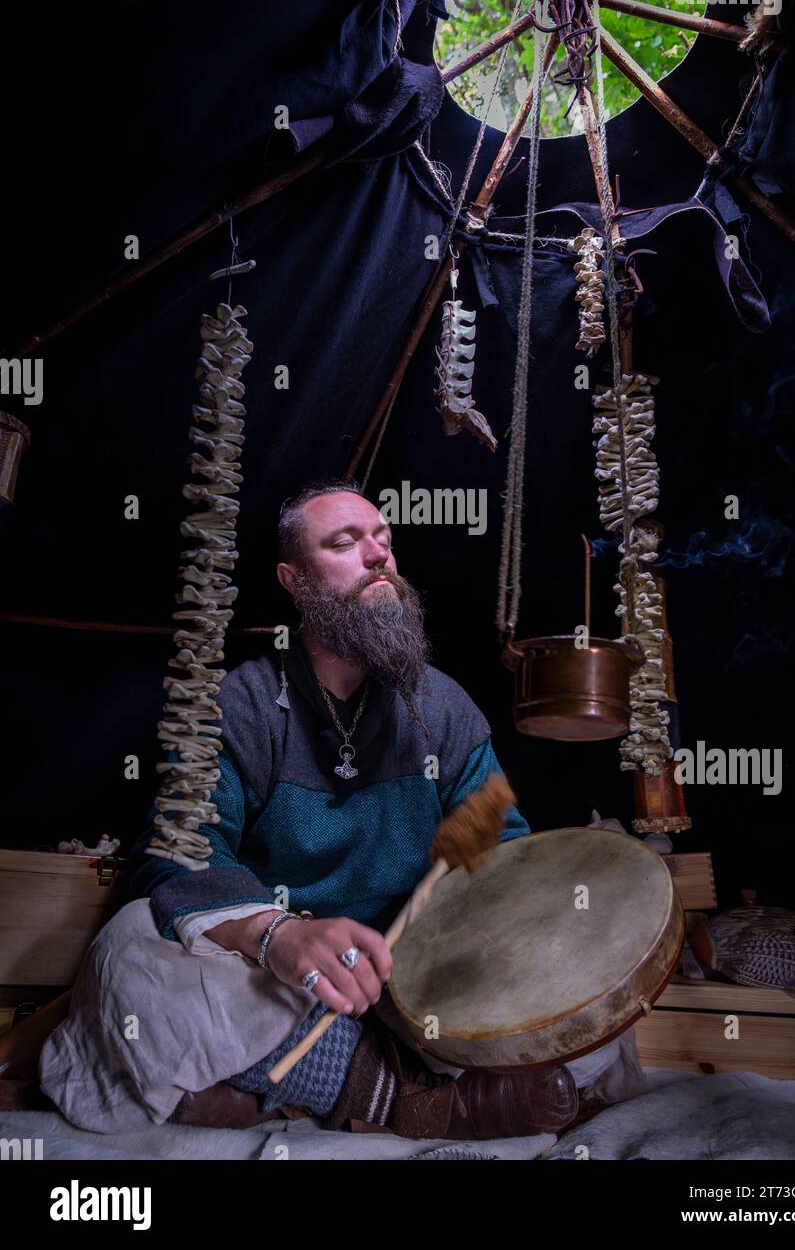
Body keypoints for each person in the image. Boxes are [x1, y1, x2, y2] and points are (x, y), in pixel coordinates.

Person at [38, 480, 586, 1139]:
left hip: (412, 979)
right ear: (294, 580)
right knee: (126, 946)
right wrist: (281, 936)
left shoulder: (445, 709)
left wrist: (496, 912)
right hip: (279, 980)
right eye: (345, 543)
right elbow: (179, 851)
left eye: (385, 541)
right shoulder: (237, 706)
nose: (378, 555)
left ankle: (274, 1092)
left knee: (572, 958)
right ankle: (407, 1100)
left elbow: (500, 848)